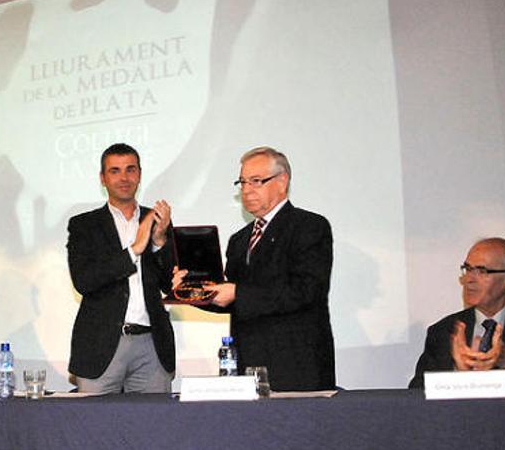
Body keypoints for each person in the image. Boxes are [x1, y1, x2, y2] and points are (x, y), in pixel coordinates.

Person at [198, 146, 336, 391]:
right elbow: (234, 301)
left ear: (282, 182)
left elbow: (305, 291)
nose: (246, 190)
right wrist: (196, 291)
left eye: (256, 181)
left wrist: (237, 293)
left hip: (295, 365)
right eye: (242, 183)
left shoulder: (309, 227)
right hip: (247, 366)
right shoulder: (239, 240)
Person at [67, 143, 176, 394]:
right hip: (100, 346)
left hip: (152, 345)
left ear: (139, 174)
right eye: (114, 171)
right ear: (102, 178)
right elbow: (83, 281)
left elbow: (172, 285)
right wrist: (134, 250)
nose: (124, 178)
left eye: (130, 169)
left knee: (154, 427)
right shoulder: (84, 225)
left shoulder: (157, 220)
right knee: (93, 429)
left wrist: (159, 241)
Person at [409, 237, 505, 389]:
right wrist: (458, 374)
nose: (469, 279)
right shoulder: (444, 331)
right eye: (468, 269)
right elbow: (416, 392)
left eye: (481, 271)